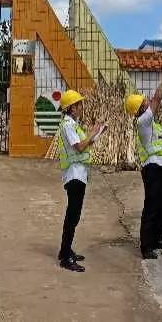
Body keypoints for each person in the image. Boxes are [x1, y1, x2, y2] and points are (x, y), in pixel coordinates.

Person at [125, 65, 162, 260]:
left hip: (160, 167)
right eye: (144, 101)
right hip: (152, 169)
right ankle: (146, 246)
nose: (148, 100)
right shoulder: (143, 122)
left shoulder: (150, 122)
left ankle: (156, 240)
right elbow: (158, 98)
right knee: (152, 207)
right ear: (140, 107)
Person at [57, 89, 103, 272]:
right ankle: (66, 257)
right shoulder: (68, 125)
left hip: (79, 174)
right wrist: (92, 133)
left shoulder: (73, 124)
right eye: (79, 105)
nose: (81, 108)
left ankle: (65, 250)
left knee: (73, 216)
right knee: (72, 216)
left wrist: (97, 133)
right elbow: (79, 147)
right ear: (72, 108)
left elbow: (85, 144)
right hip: (74, 175)